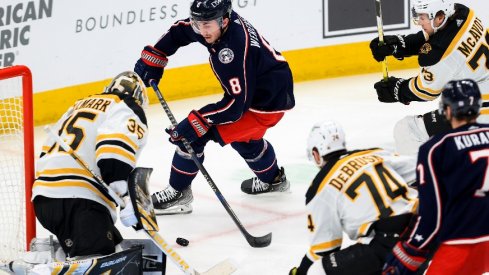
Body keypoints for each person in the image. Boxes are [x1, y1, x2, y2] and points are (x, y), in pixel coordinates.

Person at [134, 0, 294, 214]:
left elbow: (236, 107)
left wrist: (197, 121)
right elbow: (180, 32)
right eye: (197, 23)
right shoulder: (216, 25)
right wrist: (156, 55)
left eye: (207, 25)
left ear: (224, 21)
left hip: (265, 105)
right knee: (244, 140)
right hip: (266, 89)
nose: (201, 30)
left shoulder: (232, 51)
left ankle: (179, 194)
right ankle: (273, 180)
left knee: (193, 136)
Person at [32, 71, 149, 258]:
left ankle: (52, 256)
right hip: (80, 203)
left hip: (44, 198)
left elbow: (46, 151)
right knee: (99, 260)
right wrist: (126, 196)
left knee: (114, 246)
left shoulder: (77, 105)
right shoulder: (127, 107)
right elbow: (113, 152)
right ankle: (39, 267)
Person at [382, 79, 489, 275]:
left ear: (446, 110)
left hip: (463, 242)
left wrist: (407, 253)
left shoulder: (435, 149)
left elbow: (432, 215)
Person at [289, 120, 418, 275]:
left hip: (387, 244)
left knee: (317, 270)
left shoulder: (321, 187)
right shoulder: (374, 154)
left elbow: (324, 249)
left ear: (316, 154)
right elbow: (422, 169)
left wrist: (300, 271)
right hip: (423, 229)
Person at [369, 0, 489, 155]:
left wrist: (396, 89)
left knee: (407, 129)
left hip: (479, 114)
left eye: (423, 17)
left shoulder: (441, 56)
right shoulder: (463, 13)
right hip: (481, 92)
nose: (419, 22)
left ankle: (420, 177)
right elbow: (435, 36)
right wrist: (399, 44)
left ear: (439, 17)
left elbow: (425, 91)